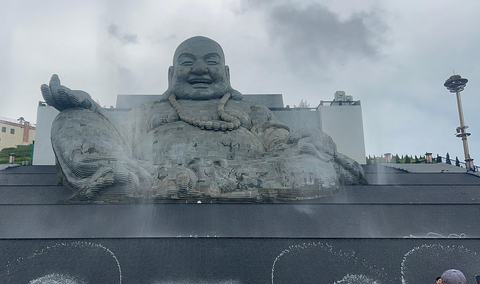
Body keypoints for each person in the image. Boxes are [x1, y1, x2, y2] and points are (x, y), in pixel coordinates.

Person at [41, 36, 366, 201]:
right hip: (149, 171)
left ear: (225, 73)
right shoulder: (150, 112)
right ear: (171, 74)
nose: (199, 69)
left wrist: (308, 141)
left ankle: (174, 187)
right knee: (70, 122)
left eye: (210, 62)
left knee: (313, 158)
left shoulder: (251, 111)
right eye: (187, 62)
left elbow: (280, 142)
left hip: (250, 173)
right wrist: (89, 110)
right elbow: (115, 140)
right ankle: (133, 182)